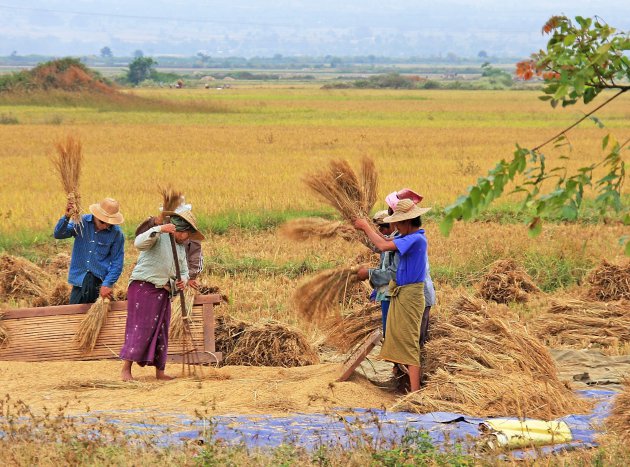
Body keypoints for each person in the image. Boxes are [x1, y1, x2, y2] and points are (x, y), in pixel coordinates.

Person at [354, 199, 430, 392]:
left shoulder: (416, 239)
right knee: (399, 340)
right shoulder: (408, 238)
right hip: (401, 293)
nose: (395, 227)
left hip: (410, 295)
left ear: (407, 222)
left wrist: (365, 227)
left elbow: (382, 245)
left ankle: (415, 391)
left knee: (409, 341)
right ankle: (403, 383)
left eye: (398, 223)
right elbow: (385, 242)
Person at [120, 209, 205, 382]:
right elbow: (138, 243)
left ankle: (160, 371)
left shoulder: (181, 248)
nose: (187, 238)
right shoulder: (158, 236)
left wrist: (182, 280)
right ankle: (126, 370)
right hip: (144, 286)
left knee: (161, 331)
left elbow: (183, 271)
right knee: (140, 327)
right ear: (179, 230)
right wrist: (158, 229)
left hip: (164, 292)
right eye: (185, 234)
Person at [53, 198, 125, 304]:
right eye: (103, 222)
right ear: (96, 216)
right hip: (79, 281)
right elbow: (59, 234)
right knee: (75, 316)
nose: (106, 226)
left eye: (109, 224)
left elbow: (117, 263)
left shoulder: (116, 234)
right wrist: (67, 217)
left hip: (99, 284)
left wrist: (107, 284)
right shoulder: (81, 222)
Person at [135, 197, 204, 289]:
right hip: (155, 277)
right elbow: (140, 237)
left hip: (180, 277)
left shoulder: (189, 229)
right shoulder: (158, 224)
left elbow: (196, 254)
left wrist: (190, 276)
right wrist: (156, 224)